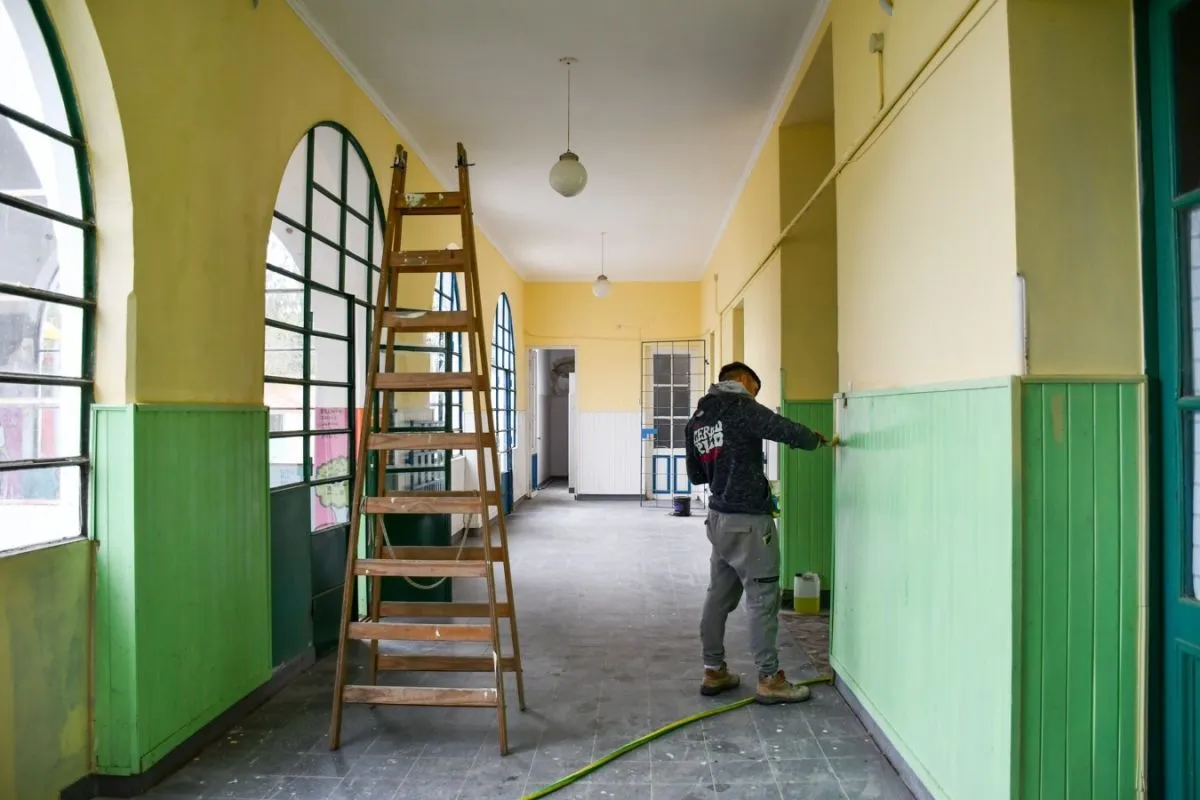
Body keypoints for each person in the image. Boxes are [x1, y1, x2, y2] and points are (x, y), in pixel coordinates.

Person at [684, 361, 831, 704]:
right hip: (749, 522)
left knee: (717, 597)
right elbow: (787, 431)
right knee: (762, 600)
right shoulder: (741, 407)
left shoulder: (698, 419)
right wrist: (815, 440)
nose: (755, 396)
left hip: (718, 519)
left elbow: (696, 476)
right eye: (755, 389)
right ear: (743, 381)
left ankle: (713, 670)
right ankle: (769, 679)